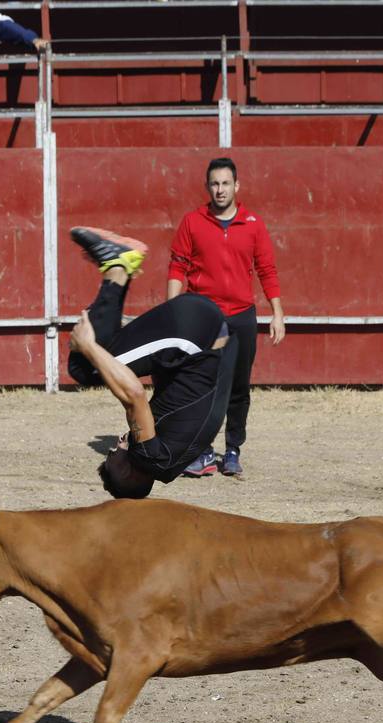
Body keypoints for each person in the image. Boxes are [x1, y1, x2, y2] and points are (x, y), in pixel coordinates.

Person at [67, 227, 238, 500]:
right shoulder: (150, 458)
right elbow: (134, 395)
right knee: (86, 366)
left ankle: (121, 266)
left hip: (206, 331)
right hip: (190, 336)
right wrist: (87, 346)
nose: (113, 447)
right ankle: (119, 265)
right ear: (126, 474)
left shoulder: (169, 464)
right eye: (113, 457)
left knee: (105, 351)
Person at [167, 156, 285, 479]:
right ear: (208, 187)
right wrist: (171, 310)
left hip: (242, 317)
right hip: (205, 316)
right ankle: (204, 451)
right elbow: (177, 265)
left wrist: (277, 313)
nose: (220, 190)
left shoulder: (253, 224)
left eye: (225, 183)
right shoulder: (192, 222)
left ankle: (233, 449)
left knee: (238, 386)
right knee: (203, 385)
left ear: (237, 186)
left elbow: (267, 270)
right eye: (214, 184)